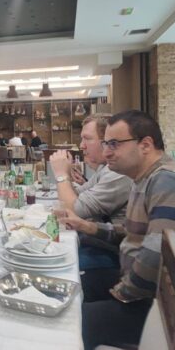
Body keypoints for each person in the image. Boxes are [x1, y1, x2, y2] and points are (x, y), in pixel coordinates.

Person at [59, 110, 175, 349]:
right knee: (72, 289)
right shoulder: (144, 178)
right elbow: (134, 233)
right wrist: (88, 226)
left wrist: (120, 293)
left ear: (145, 145)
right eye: (105, 144)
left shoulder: (170, 181)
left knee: (72, 321)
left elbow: (156, 254)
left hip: (168, 308)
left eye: (114, 144)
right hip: (150, 289)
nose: (106, 152)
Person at [49, 114, 132, 270]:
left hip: (113, 253)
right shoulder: (105, 169)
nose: (81, 146)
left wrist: (61, 175)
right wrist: (67, 177)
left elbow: (72, 211)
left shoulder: (118, 172)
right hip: (100, 242)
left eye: (87, 139)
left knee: (56, 262)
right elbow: (79, 195)